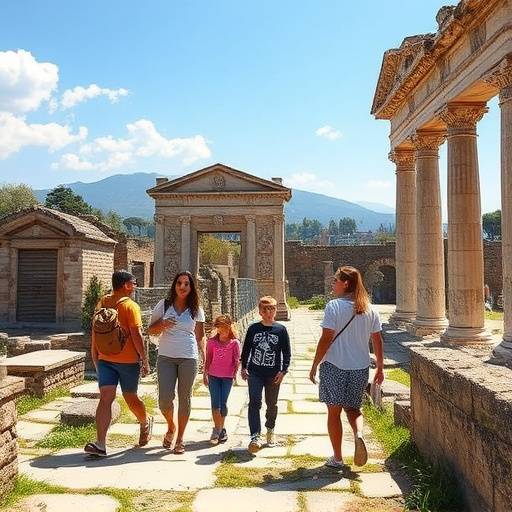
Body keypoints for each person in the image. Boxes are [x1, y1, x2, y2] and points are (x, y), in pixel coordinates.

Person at [309, 265, 384, 469]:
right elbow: (377, 340)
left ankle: (338, 458)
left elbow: (326, 338)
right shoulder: (369, 309)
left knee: (334, 413)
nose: (332, 284)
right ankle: (359, 434)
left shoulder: (333, 307)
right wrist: (380, 367)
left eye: (335, 280)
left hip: (334, 365)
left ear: (346, 283)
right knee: (354, 408)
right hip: (360, 367)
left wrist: (315, 363)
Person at [85, 270, 152, 457]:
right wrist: (145, 360)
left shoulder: (103, 302)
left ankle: (144, 421)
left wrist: (94, 354)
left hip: (116, 360)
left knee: (131, 399)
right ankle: (100, 443)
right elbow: (137, 335)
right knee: (106, 397)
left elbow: (96, 331)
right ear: (127, 285)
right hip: (114, 360)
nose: (136, 286)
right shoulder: (131, 306)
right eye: (134, 282)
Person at [148, 271, 205, 454]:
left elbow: (200, 336)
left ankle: (180, 438)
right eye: (179, 283)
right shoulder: (164, 305)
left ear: (191, 287)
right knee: (165, 399)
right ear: (174, 285)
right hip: (166, 356)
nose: (182, 286)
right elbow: (150, 330)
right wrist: (162, 324)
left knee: (185, 398)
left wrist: (205, 358)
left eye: (186, 284)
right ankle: (171, 426)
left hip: (188, 356)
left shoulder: (196, 309)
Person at [241, 296, 291, 454]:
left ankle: (270, 428)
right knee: (254, 402)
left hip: (273, 373)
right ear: (260, 311)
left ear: (275, 310)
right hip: (255, 372)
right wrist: (243, 367)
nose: (269, 312)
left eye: (272, 308)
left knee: (272, 404)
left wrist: (283, 371)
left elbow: (287, 353)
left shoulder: (280, 330)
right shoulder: (253, 329)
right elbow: (246, 349)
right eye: (266, 309)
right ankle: (255, 435)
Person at [203, 314, 240, 445]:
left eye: (224, 328)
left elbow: (237, 359)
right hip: (213, 375)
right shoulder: (212, 342)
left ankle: (222, 428)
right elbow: (208, 358)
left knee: (223, 403)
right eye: (219, 328)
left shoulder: (235, 343)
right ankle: (216, 429)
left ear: (229, 327)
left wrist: (236, 374)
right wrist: (204, 375)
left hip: (227, 377)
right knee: (215, 403)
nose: (221, 331)